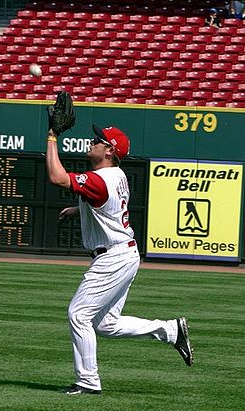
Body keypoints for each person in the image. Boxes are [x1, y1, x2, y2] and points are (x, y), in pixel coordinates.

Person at [46, 123, 193, 395]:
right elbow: (105, 204)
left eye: (97, 140)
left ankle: (88, 381)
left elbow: (57, 177)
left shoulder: (101, 179)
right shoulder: (116, 175)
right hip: (124, 253)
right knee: (106, 324)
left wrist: (52, 135)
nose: (92, 142)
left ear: (109, 151)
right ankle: (170, 330)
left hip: (112, 257)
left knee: (78, 314)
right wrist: (78, 210)